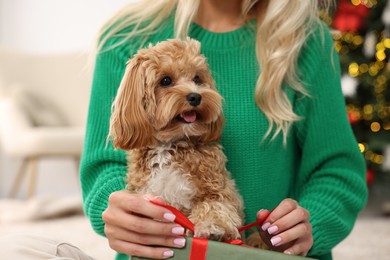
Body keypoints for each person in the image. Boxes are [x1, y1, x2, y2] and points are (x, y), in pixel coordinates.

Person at [0, 0, 365, 259]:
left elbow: (338, 170)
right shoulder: (124, 35)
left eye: (196, 80)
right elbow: (104, 167)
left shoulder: (305, 39)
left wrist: (311, 222)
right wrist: (120, 212)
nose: (190, 92)